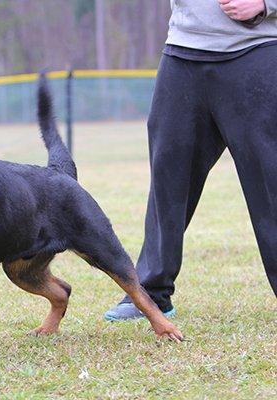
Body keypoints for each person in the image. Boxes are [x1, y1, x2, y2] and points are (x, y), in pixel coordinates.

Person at [105, 0, 277, 321]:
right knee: (167, 176)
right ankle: (152, 290)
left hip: (258, 49)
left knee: (270, 182)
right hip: (184, 48)